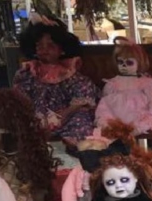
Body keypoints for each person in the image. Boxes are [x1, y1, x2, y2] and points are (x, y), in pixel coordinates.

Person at [13, 15, 97, 143]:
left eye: (50, 46)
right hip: (36, 119)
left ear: (61, 49)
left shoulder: (69, 72)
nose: (44, 50)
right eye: (39, 46)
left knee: (82, 118)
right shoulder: (28, 73)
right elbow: (21, 98)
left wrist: (63, 114)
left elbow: (82, 94)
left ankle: (73, 146)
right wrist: (36, 117)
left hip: (66, 117)